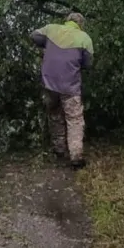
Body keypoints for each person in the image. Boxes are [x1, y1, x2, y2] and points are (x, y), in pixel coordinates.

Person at [30, 10, 93, 168]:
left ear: (67, 20)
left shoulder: (51, 29)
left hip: (49, 83)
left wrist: (48, 46)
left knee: (54, 114)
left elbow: (34, 36)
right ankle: (76, 156)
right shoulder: (84, 38)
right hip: (70, 85)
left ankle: (59, 149)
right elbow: (88, 64)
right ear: (81, 24)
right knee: (74, 119)